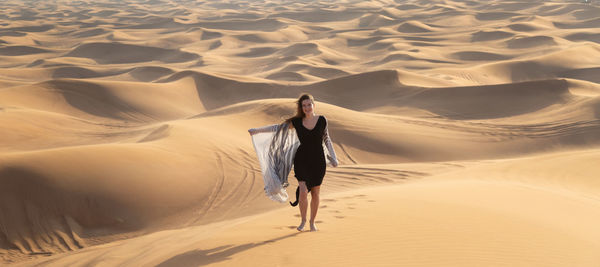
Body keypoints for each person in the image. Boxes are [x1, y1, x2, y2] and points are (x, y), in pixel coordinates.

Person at [249, 93, 339, 231]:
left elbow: (327, 139)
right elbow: (277, 128)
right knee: (303, 191)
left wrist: (334, 157)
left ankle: (312, 222)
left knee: (315, 193)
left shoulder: (322, 120)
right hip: (302, 159)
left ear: (314, 105)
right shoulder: (297, 122)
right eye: (304, 106)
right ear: (301, 108)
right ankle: (303, 221)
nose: (307, 108)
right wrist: (257, 131)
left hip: (318, 161)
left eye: (309, 105)